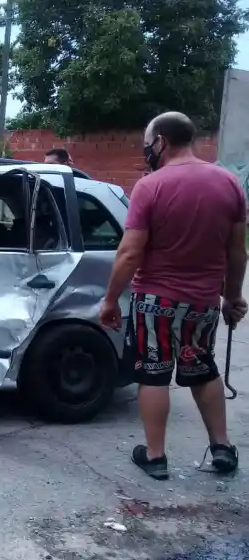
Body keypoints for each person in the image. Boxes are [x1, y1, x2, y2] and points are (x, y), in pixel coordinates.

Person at [98, 111, 248, 480]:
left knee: (154, 375)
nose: (147, 150)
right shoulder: (230, 183)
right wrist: (232, 297)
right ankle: (222, 448)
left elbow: (130, 252)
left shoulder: (151, 186)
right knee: (202, 370)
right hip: (203, 304)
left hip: (155, 302)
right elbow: (237, 251)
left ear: (161, 141)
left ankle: (155, 456)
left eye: (148, 144)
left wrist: (110, 298)